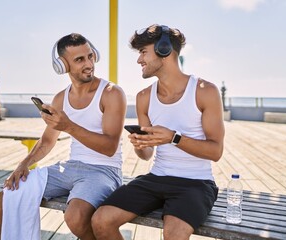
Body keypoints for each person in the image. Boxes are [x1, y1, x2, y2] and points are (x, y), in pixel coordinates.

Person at [92, 24, 225, 240]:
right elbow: (146, 155)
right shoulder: (144, 97)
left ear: (164, 50)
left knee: (173, 235)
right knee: (101, 220)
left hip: (196, 183)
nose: (139, 60)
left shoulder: (204, 91)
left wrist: (174, 138)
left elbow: (215, 151)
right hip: (157, 178)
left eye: (143, 52)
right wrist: (140, 145)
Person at [0, 33, 126, 240]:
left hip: (104, 171)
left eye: (90, 56)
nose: (89, 63)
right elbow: (47, 141)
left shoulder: (111, 93)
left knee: (75, 216)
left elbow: (109, 147)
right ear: (62, 66)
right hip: (70, 167)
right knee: (4, 199)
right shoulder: (61, 98)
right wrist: (24, 164)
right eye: (80, 60)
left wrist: (69, 126)